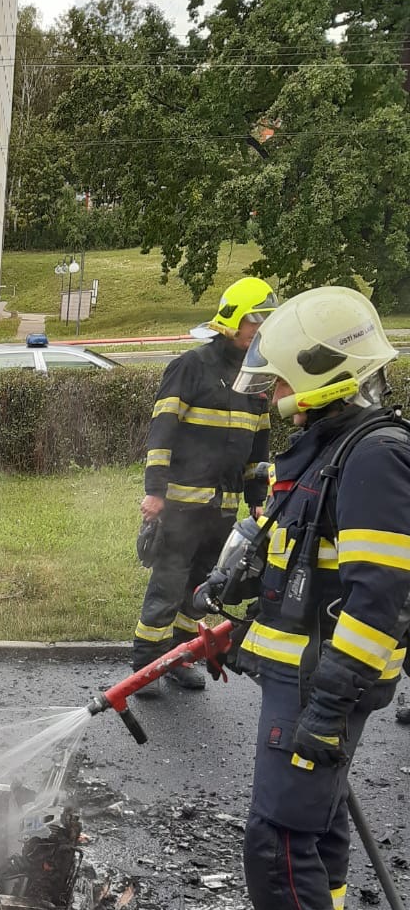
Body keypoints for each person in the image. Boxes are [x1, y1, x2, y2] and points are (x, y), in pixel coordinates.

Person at [212, 287, 407, 910]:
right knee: (315, 818)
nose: (276, 393)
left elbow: (380, 598)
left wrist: (329, 706)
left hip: (328, 685)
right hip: (303, 677)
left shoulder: (376, 456)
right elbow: (291, 548)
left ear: (325, 373)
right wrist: (229, 590)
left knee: (277, 834)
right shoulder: (327, 444)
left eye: (283, 378)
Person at [132, 276, 277, 696]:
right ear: (233, 322)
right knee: (168, 584)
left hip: (225, 507)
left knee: (197, 587)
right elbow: (162, 432)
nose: (261, 332)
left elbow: (259, 444)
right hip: (181, 503)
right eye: (256, 323)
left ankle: (178, 658)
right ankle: (145, 665)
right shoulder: (191, 366)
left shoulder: (257, 377)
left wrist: (256, 500)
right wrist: (155, 490)